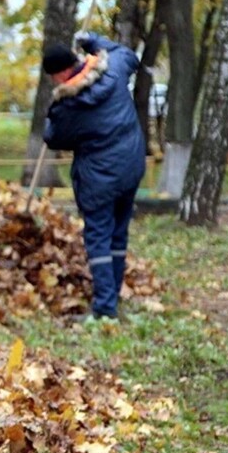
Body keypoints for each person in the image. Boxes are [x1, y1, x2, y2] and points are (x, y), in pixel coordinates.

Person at [41, 32, 145, 320]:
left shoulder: (69, 106)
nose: (54, 84)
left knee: (98, 237)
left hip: (100, 177)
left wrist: (52, 111)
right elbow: (127, 53)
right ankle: (112, 300)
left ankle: (104, 308)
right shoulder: (112, 68)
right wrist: (92, 40)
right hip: (131, 167)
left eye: (53, 78)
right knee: (118, 235)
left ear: (61, 73)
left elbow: (53, 138)